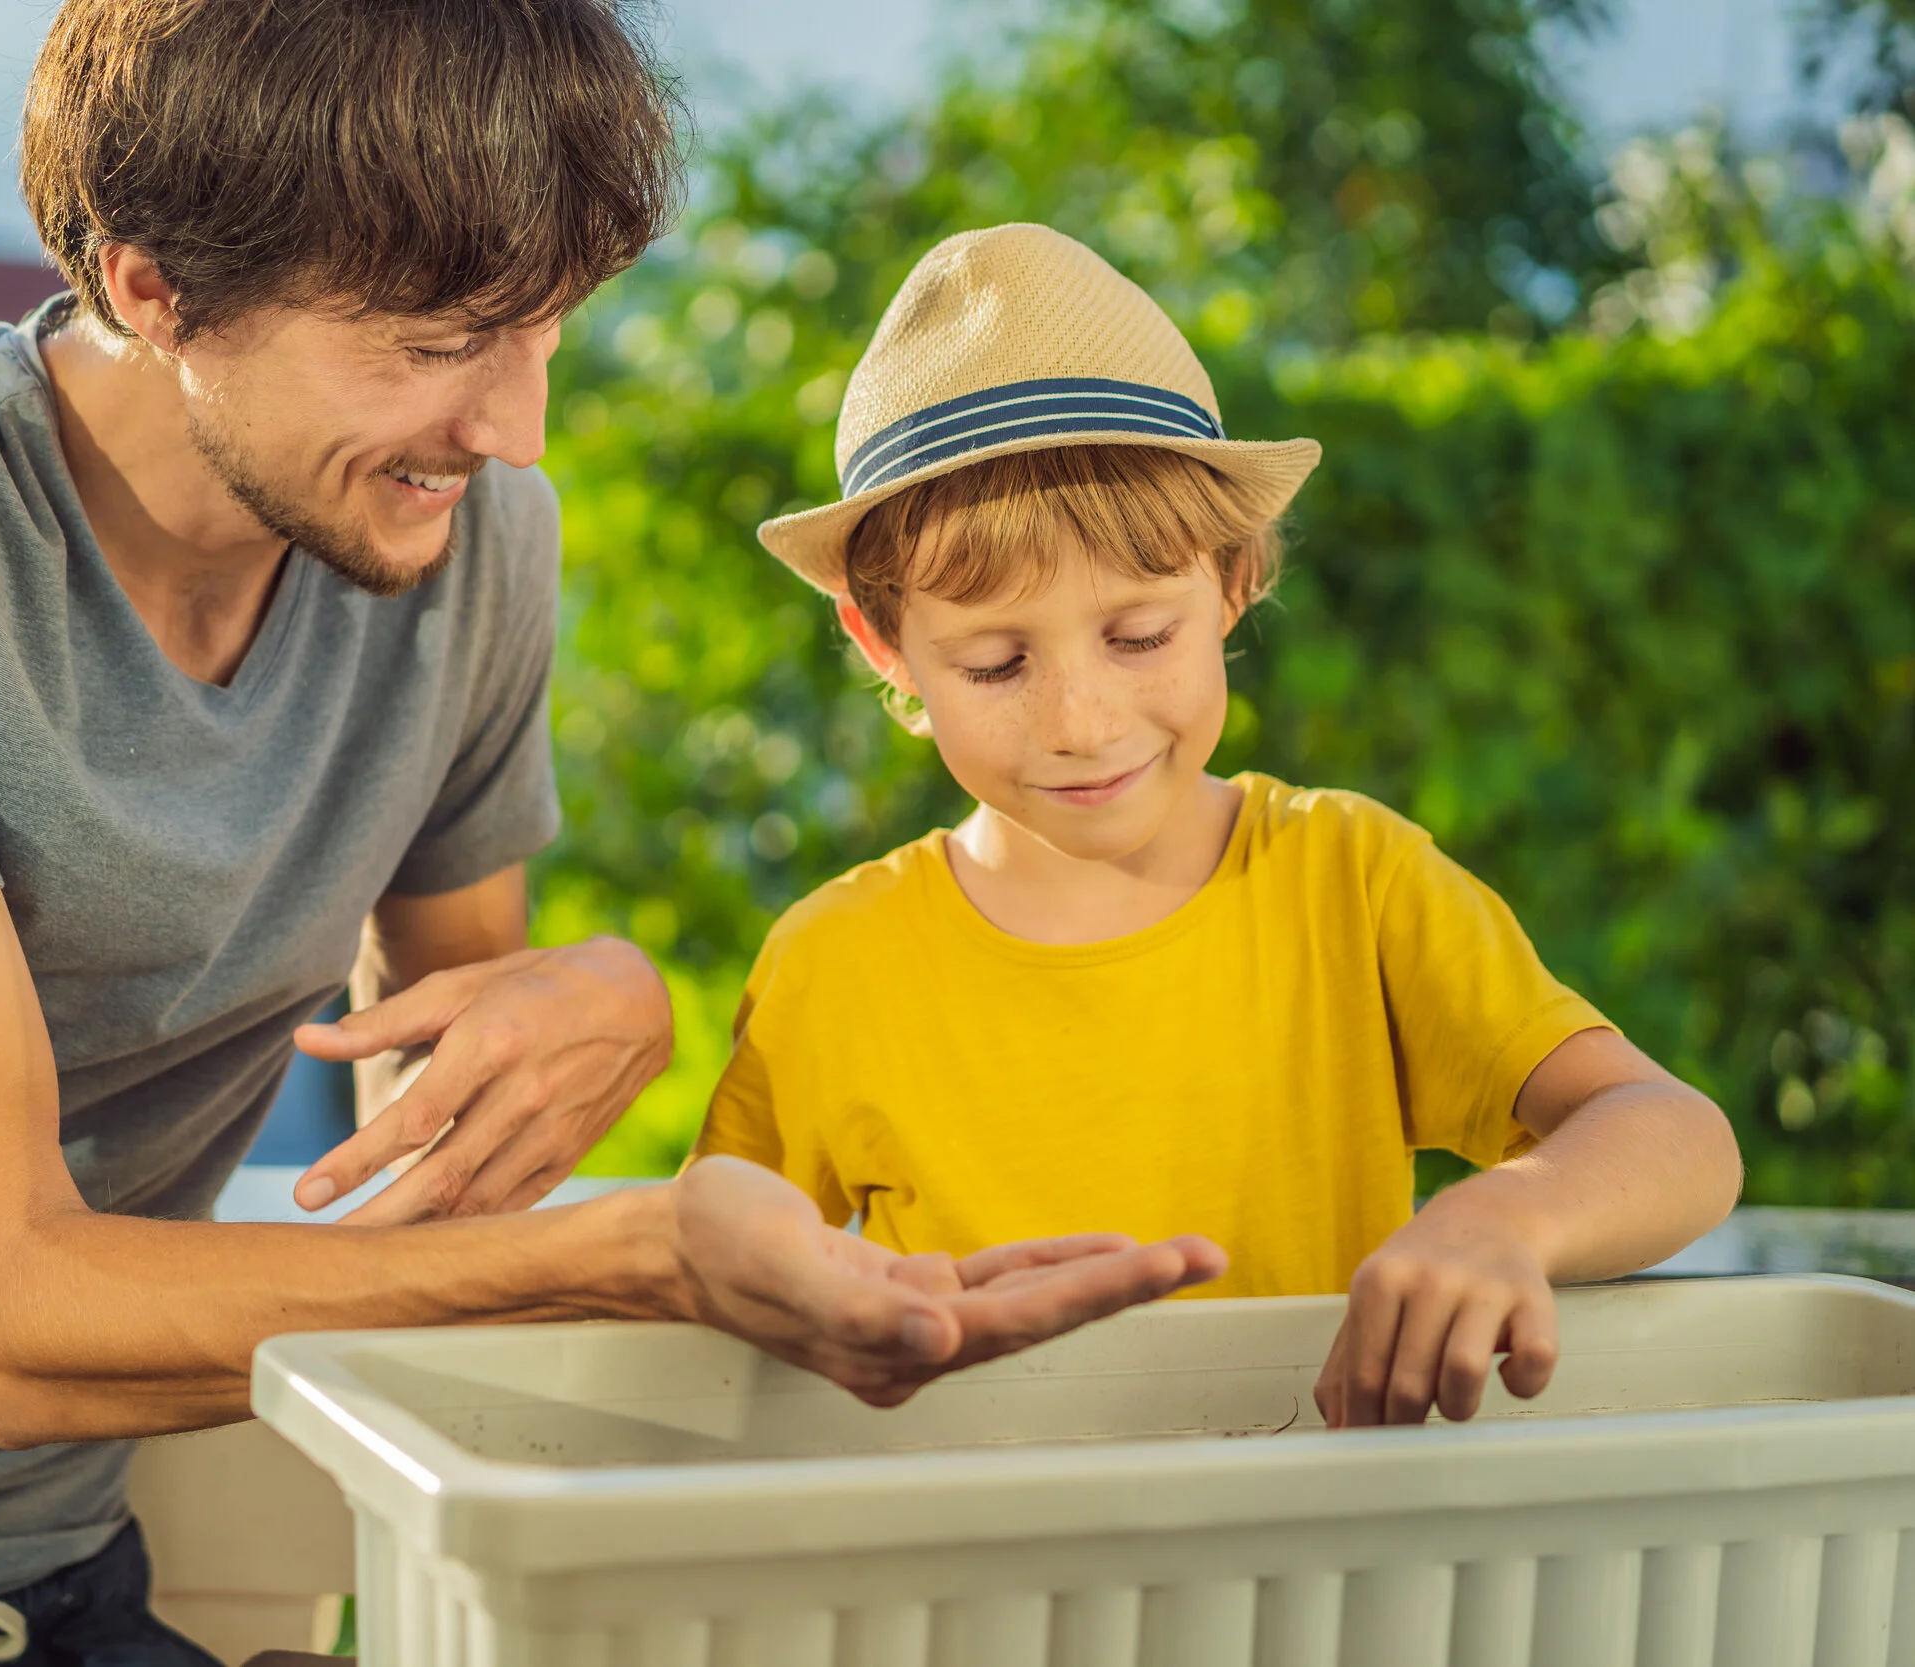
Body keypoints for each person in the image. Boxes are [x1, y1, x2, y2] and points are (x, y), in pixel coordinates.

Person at [0, 11, 1222, 1666]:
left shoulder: (462, 545)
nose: (515, 432)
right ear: (151, 285)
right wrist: (638, 1254)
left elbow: (434, 1183)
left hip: (65, 1568)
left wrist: (601, 999)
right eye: (429, 344)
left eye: (544, 332)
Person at [693, 222, 1743, 1435]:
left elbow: (1677, 1136)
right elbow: (712, 1293)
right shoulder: (833, 964)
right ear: (888, 649)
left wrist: (1505, 1215)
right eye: (993, 662)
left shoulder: (1353, 883)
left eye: (1139, 636)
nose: (1081, 720)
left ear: (1235, 578)